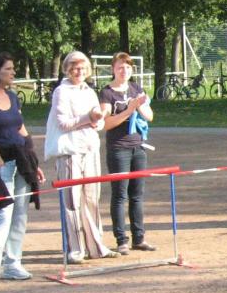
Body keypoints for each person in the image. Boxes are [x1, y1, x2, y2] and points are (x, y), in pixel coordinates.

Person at [0, 52, 45, 290]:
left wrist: (33, 163)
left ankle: (12, 264)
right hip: (0, 164)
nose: (13, 72)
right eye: (8, 69)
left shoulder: (13, 98)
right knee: (3, 215)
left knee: (20, 214)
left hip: (21, 161)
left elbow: (22, 130)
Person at [44, 50, 118, 264]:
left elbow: (99, 121)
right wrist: (89, 118)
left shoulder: (89, 91)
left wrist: (98, 120)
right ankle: (75, 249)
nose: (79, 71)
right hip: (70, 151)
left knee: (92, 198)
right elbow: (63, 123)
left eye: (83, 68)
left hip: (90, 148)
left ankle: (96, 247)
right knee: (72, 201)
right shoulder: (61, 91)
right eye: (75, 68)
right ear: (67, 69)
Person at [98, 52, 156, 255]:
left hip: (138, 147)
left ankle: (139, 238)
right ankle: (121, 239)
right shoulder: (107, 93)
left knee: (137, 195)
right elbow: (106, 124)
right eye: (121, 67)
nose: (124, 71)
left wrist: (139, 107)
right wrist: (128, 110)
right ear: (113, 69)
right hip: (118, 148)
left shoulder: (136, 89)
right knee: (120, 195)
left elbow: (149, 116)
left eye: (128, 67)